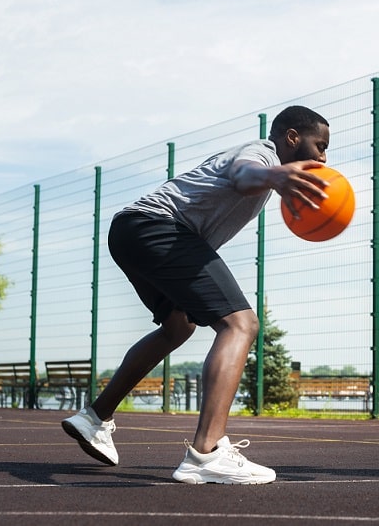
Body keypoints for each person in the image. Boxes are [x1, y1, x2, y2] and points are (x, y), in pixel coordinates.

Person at [62, 105, 332, 485]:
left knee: (178, 327)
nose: (323, 156)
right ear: (291, 138)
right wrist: (275, 174)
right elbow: (244, 174)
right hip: (159, 228)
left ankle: (95, 417)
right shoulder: (262, 154)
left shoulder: (266, 166)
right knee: (241, 324)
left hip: (130, 230)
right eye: (319, 145)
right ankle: (206, 452)